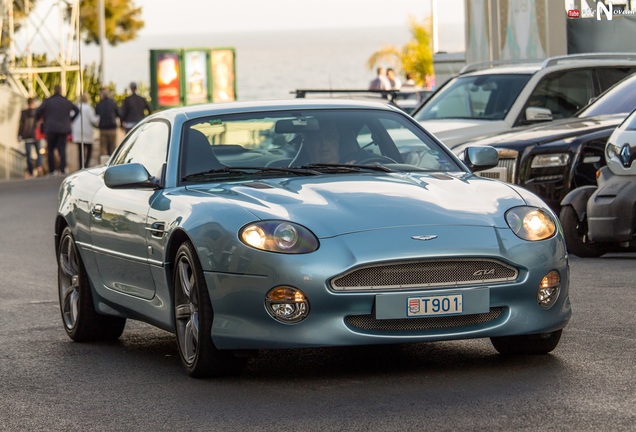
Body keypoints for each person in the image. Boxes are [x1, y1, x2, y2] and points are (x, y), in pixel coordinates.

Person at [36, 85, 79, 175]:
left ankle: (52, 170)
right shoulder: (66, 101)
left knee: (50, 150)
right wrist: (70, 120)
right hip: (63, 129)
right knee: (62, 150)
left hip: (50, 129)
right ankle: (62, 169)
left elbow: (38, 112)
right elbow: (77, 110)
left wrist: (43, 119)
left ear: (54, 91)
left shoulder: (48, 102)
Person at [71, 94, 99, 169]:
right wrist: (99, 118)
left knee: (80, 151)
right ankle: (86, 165)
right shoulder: (89, 108)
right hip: (87, 131)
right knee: (89, 149)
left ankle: (81, 165)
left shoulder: (76, 106)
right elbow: (93, 120)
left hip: (77, 132)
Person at [18, 97, 43, 178]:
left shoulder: (24, 113)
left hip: (27, 136)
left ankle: (31, 172)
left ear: (27, 103)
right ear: (34, 103)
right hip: (36, 136)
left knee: (28, 155)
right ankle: (39, 167)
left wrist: (19, 135)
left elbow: (21, 125)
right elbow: (41, 123)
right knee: (39, 153)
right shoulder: (37, 112)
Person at [95, 87, 121, 158]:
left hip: (103, 128)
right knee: (113, 147)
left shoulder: (99, 104)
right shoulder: (113, 103)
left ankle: (104, 162)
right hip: (112, 128)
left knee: (103, 148)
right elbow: (118, 114)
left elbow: (96, 116)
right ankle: (112, 161)